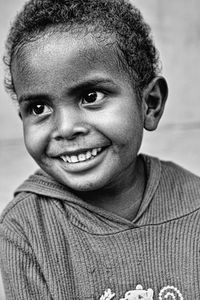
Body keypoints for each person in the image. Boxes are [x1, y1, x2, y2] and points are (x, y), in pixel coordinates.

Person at [0, 0, 199, 299]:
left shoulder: (193, 205)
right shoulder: (26, 229)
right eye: (39, 107)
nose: (65, 128)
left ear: (151, 103)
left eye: (91, 96)